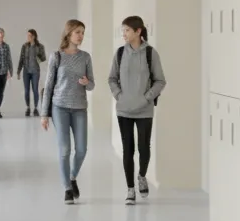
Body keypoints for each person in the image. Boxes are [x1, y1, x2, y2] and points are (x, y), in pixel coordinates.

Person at [108, 15, 166, 205]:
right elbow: (112, 79)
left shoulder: (150, 53)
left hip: (144, 110)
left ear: (138, 31)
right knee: (128, 150)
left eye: (127, 30)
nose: (123, 34)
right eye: (123, 30)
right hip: (123, 110)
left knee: (143, 148)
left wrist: (146, 98)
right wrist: (119, 96)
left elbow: (160, 80)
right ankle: (130, 189)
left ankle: (142, 176)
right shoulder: (120, 53)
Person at [41, 19, 94, 205]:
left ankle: (72, 177)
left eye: (83, 32)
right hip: (59, 107)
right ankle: (67, 189)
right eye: (78, 32)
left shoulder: (86, 57)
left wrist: (87, 83)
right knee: (65, 150)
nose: (81, 36)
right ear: (69, 34)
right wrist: (44, 114)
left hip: (80, 107)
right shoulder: (56, 56)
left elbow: (92, 84)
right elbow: (48, 86)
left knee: (81, 149)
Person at [17, 29, 47, 117]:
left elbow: (44, 58)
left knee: (35, 90)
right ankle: (28, 107)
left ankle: (35, 108)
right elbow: (21, 59)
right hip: (26, 71)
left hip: (35, 72)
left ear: (34, 36)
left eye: (29, 35)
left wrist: (37, 58)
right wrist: (18, 71)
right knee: (26, 91)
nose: (28, 37)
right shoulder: (24, 46)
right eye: (27, 35)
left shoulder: (40, 46)